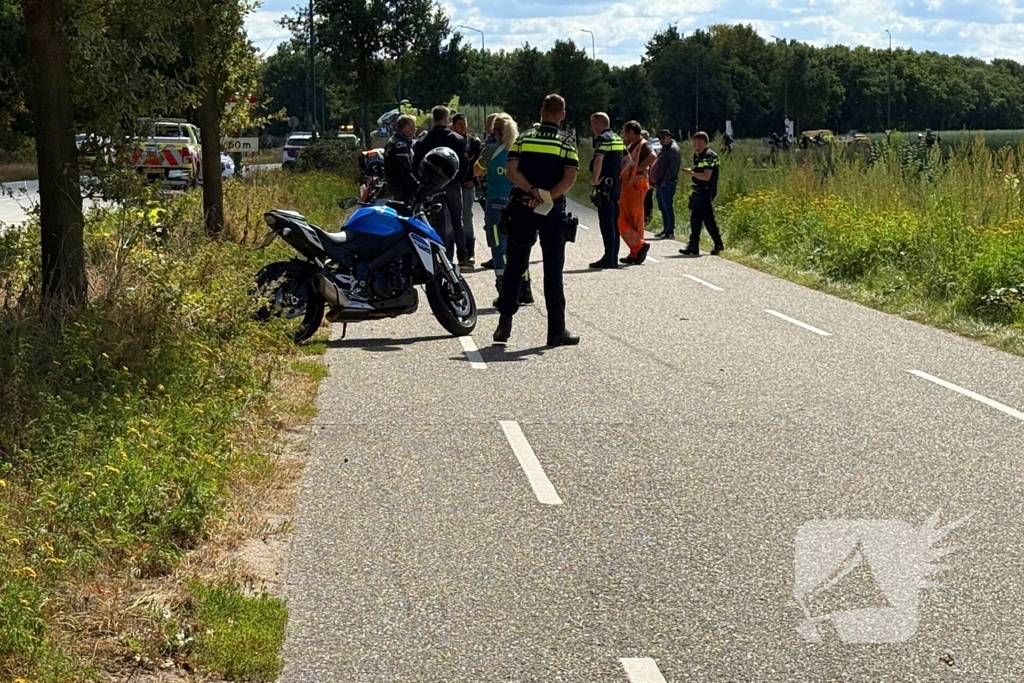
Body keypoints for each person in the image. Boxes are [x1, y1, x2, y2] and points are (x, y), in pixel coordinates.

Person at [493, 94, 580, 347]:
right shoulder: (565, 143)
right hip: (551, 212)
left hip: (521, 207)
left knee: (515, 267)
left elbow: (512, 171)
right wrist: (547, 197)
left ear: (542, 111)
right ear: (562, 115)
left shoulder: (524, 138)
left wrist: (531, 191)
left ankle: (504, 323)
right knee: (553, 271)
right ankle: (556, 331)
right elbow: (570, 177)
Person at [474, 113, 533, 307]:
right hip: (518, 202)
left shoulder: (491, 150)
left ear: (496, 132)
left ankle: (504, 289)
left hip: (496, 203)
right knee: (520, 246)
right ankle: (525, 288)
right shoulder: (520, 149)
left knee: (499, 246)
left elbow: (477, 170)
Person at [412, 106, 470, 265]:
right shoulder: (456, 139)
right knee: (458, 221)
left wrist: (424, 181)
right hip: (453, 184)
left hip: (434, 185)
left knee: (439, 223)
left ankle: (444, 257)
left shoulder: (425, 140)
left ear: (433, 118)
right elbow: (464, 164)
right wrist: (460, 179)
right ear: (447, 118)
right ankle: (463, 256)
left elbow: (416, 164)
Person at [587, 112, 626, 269]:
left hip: (605, 187)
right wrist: (616, 174)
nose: (591, 127)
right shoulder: (617, 138)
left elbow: (598, 161)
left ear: (598, 123)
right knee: (613, 222)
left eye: (592, 124)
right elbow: (628, 160)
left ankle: (608, 258)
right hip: (615, 185)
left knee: (606, 223)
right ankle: (613, 256)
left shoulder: (603, 139)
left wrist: (595, 180)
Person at [679, 131, 725, 257]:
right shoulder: (699, 155)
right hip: (698, 190)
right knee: (695, 219)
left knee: (708, 219)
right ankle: (693, 245)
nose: (694, 145)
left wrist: (691, 173)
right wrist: (693, 171)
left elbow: (706, 176)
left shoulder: (709, 156)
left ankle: (718, 243)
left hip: (706, 190)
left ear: (702, 142)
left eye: (696, 143)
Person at [617, 120, 653, 265]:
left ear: (632, 131)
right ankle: (636, 248)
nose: (625, 136)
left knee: (634, 220)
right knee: (622, 219)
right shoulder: (633, 145)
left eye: (626, 133)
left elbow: (653, 156)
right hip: (628, 187)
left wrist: (639, 169)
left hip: (636, 186)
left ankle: (637, 249)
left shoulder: (644, 144)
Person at [450, 113, 481, 267]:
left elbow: (482, 164)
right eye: (460, 124)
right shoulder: (450, 141)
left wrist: (475, 181)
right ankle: (452, 254)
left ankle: (470, 253)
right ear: (453, 125)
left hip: (468, 184)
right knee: (451, 220)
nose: (463, 128)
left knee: (467, 217)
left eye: (465, 124)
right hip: (453, 185)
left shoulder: (473, 142)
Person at [649, 129, 680, 239]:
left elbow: (672, 168)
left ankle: (670, 231)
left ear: (669, 137)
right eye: (660, 138)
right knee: (663, 207)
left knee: (667, 207)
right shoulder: (665, 149)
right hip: (660, 183)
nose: (661, 140)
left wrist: (664, 181)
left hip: (667, 183)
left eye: (663, 137)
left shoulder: (673, 150)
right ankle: (666, 229)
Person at [383, 114, 419, 206]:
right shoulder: (401, 145)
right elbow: (405, 169)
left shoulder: (393, 140)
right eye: (414, 126)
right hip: (402, 187)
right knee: (407, 214)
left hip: (395, 185)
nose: (416, 129)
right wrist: (417, 185)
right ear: (406, 128)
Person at [641, 130, 655, 225]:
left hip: (648, 177)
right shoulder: (644, 148)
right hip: (646, 177)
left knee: (647, 199)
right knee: (644, 198)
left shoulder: (648, 148)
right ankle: (644, 217)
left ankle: (647, 217)